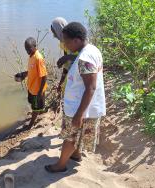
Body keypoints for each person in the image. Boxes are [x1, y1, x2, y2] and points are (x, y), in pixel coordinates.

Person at [45, 22, 106, 173]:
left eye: (66, 41)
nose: (64, 44)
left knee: (70, 137)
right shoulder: (91, 49)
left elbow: (90, 88)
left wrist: (79, 114)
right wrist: (68, 57)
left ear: (76, 40)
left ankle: (60, 165)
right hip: (84, 106)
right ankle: (76, 155)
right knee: (77, 135)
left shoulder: (85, 58)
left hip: (81, 108)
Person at [15, 37, 47, 130]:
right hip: (31, 88)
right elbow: (32, 71)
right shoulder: (31, 56)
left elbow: (44, 76)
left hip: (37, 90)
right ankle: (40, 112)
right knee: (34, 104)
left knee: (35, 107)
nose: (27, 50)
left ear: (35, 46)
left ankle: (31, 124)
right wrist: (24, 75)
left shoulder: (38, 58)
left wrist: (40, 92)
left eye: (29, 48)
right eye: (26, 49)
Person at [51, 17, 77, 93]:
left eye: (54, 32)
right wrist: (60, 83)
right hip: (72, 75)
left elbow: (83, 57)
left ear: (60, 30)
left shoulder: (76, 40)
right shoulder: (63, 44)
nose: (54, 36)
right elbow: (66, 65)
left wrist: (67, 57)